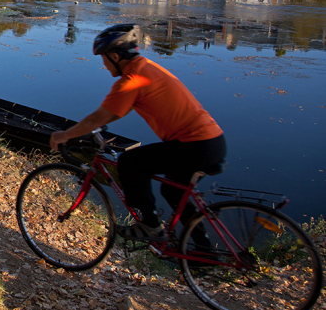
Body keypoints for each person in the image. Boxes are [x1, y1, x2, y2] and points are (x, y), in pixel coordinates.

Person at [49, 24, 226, 242]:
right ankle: (205, 252)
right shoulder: (146, 67)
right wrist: (97, 125)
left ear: (114, 56)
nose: (104, 65)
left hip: (194, 145)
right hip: (213, 142)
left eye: (103, 58)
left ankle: (150, 226)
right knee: (173, 192)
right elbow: (115, 112)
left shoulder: (132, 80)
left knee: (130, 162)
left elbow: (97, 118)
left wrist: (63, 135)